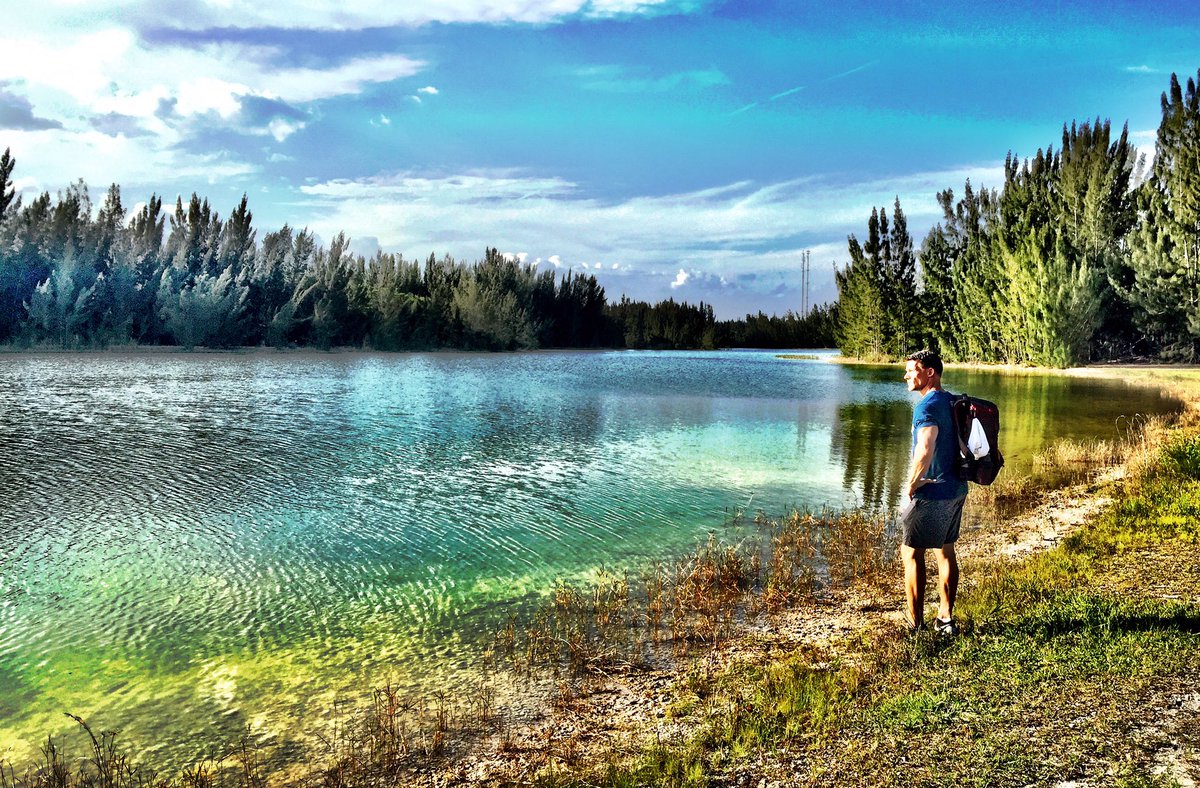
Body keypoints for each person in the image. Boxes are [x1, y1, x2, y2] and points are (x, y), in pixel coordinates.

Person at [900, 349, 968, 634]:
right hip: (956, 488)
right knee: (945, 550)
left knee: (911, 553)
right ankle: (945, 619)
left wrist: (913, 482)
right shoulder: (952, 401)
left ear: (930, 372)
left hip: (934, 490)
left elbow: (925, 448)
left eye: (911, 370)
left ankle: (915, 626)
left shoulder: (926, 407)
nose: (906, 375)